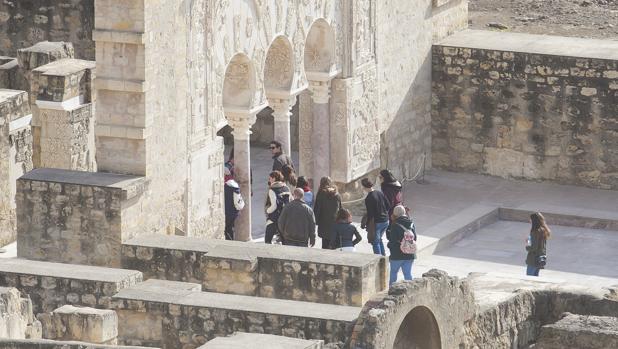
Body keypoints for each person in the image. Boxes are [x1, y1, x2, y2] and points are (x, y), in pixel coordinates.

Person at [386, 205, 416, 286]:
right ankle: (410, 291)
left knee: (393, 273)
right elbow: (415, 238)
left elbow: (391, 239)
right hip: (410, 254)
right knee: (407, 274)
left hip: (397, 254)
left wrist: (389, 246)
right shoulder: (411, 224)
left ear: (395, 214)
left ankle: (391, 291)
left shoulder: (395, 225)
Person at [362, 178, 390, 256]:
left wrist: (367, 224)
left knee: (375, 242)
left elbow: (370, 214)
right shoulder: (379, 193)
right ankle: (383, 257)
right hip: (386, 220)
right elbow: (388, 205)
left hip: (377, 222)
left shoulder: (368, 198)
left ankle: (378, 260)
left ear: (364, 187)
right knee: (379, 240)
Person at [313, 176, 342, 249]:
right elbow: (340, 209)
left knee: (325, 244)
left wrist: (315, 221)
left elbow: (317, 209)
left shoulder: (321, 194)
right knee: (333, 243)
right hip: (335, 222)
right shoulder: (337, 194)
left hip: (324, 222)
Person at [264, 171, 291, 244]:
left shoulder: (272, 189)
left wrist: (267, 210)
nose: (269, 180)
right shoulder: (286, 188)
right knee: (285, 241)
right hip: (284, 218)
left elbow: (274, 205)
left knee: (267, 240)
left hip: (274, 218)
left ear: (274, 178)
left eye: (270, 178)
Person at [526, 212, 550, 277]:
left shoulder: (535, 232)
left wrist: (527, 243)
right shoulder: (543, 231)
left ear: (534, 221)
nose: (529, 221)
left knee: (529, 277)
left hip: (534, 259)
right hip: (540, 258)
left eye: (531, 219)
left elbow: (533, 247)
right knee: (535, 277)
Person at [223, 167, 245, 240]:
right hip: (234, 212)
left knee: (226, 230)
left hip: (228, 212)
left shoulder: (227, 186)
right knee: (229, 229)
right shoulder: (233, 184)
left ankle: (229, 244)